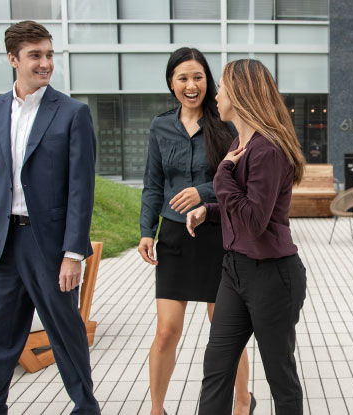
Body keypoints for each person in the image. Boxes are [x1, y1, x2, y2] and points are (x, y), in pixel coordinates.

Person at [0, 21, 99, 414]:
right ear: (13, 59)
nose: (45, 63)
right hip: (4, 245)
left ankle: (87, 409)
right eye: (35, 55)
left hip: (50, 248)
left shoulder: (73, 113)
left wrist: (73, 253)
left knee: (66, 335)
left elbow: (81, 191)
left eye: (49, 54)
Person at [187, 59, 308, 414]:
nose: (216, 93)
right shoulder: (242, 142)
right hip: (236, 271)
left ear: (240, 94)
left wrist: (222, 176)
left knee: (280, 377)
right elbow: (247, 207)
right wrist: (209, 211)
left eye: (221, 87)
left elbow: (255, 220)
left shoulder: (267, 149)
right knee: (217, 369)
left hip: (272, 277)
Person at [138, 47, 253, 415]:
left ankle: (242, 403)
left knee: (225, 332)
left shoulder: (226, 124)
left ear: (208, 80)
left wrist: (202, 192)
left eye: (198, 77)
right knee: (167, 331)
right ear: (171, 82)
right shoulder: (160, 126)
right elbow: (153, 184)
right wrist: (145, 231)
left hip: (217, 236)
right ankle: (157, 409)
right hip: (173, 240)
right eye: (183, 78)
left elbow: (240, 180)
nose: (191, 85)